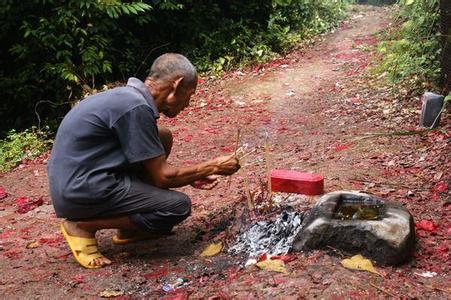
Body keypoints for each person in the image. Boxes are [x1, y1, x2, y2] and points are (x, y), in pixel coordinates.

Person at [47, 53, 240, 269]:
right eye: (190, 94)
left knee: (162, 136)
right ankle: (82, 225)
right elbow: (163, 176)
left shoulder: (129, 99)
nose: (188, 103)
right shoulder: (135, 107)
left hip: (84, 180)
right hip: (81, 190)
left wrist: (192, 175)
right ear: (176, 85)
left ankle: (130, 229)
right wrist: (213, 167)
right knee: (177, 206)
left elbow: (154, 168)